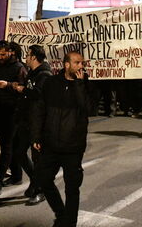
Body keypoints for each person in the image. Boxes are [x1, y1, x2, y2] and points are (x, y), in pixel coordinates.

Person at [32, 51, 93, 227]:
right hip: (51, 144)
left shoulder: (85, 84)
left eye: (82, 63)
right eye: (77, 63)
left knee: (72, 188)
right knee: (44, 179)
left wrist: (80, 85)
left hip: (73, 146)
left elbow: (88, 108)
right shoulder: (51, 83)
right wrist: (36, 135)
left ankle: (69, 223)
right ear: (66, 65)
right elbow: (40, 110)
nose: (81, 66)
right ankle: (61, 214)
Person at [0, 40, 28, 195]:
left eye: (3, 54)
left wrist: (7, 85)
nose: (0, 57)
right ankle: (16, 175)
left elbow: (23, 88)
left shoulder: (19, 68)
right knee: (10, 144)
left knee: (7, 146)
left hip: (13, 110)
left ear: (11, 52)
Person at [13, 44, 53, 205]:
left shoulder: (45, 75)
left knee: (38, 159)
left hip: (37, 124)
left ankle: (40, 190)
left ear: (34, 57)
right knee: (19, 152)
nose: (26, 58)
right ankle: (35, 181)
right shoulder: (32, 73)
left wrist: (23, 90)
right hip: (26, 121)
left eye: (28, 55)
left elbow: (39, 95)